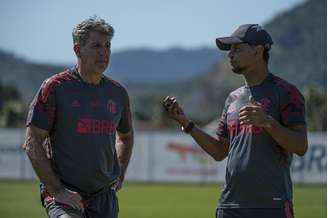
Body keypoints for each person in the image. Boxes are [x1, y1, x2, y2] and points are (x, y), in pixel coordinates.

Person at [163, 24, 308, 218]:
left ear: (258, 51)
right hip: (230, 206)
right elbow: (219, 151)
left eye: (237, 49)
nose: (230, 55)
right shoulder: (232, 98)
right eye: (230, 51)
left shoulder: (286, 93)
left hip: (271, 206)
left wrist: (268, 123)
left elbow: (301, 146)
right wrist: (187, 123)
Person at [22, 16, 134, 218]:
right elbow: (32, 142)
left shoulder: (118, 93)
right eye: (96, 45)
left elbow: (125, 137)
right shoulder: (55, 88)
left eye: (108, 45)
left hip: (104, 198)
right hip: (65, 196)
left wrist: (120, 173)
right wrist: (57, 191)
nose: (104, 52)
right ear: (77, 50)